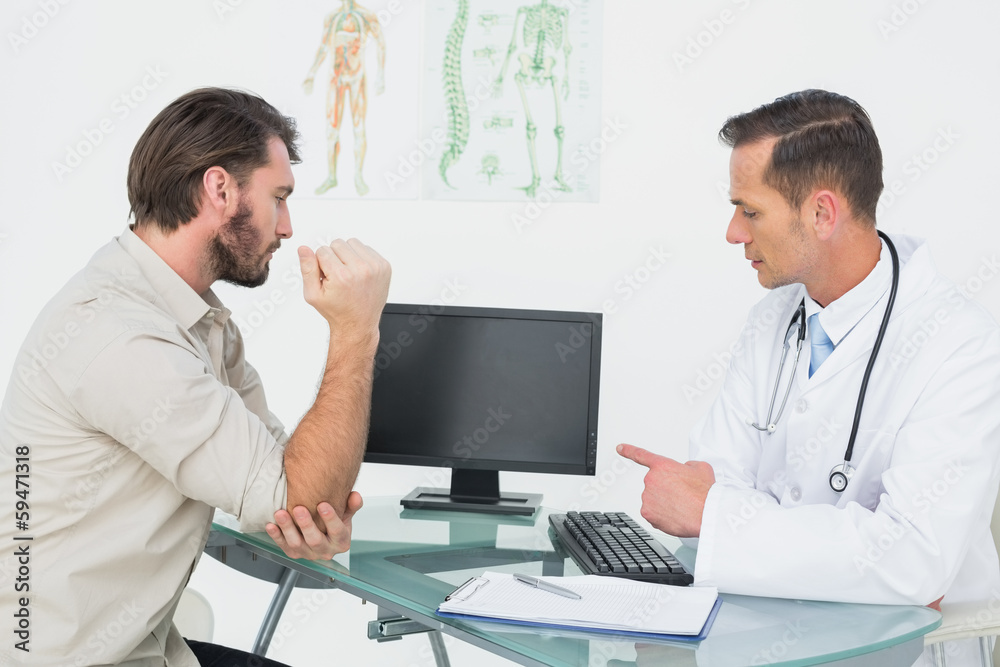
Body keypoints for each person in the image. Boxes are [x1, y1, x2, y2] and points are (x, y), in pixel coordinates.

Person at [0, 87, 391, 665]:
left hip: (149, 647)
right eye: (278, 198)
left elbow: (293, 492)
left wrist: (309, 513)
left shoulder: (196, 319)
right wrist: (357, 332)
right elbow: (300, 492)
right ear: (220, 189)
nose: (287, 226)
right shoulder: (123, 335)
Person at [618, 90, 1000, 660]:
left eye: (750, 210)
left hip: (908, 652)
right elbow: (715, 480)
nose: (733, 233)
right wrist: (738, 519)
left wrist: (724, 518)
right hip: (770, 633)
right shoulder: (772, 318)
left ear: (822, 213)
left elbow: (911, 562)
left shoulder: (959, 345)